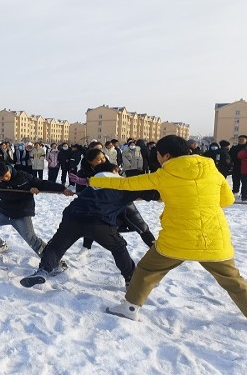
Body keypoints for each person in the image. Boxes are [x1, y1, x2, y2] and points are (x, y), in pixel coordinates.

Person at [89, 135, 247, 320]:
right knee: (233, 280)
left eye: (159, 155)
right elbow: (227, 200)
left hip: (177, 239)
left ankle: (130, 308)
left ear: (167, 156)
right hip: (212, 238)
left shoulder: (164, 174)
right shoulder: (212, 170)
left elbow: (126, 184)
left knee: (146, 270)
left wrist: (94, 181)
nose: (157, 158)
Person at [19, 162, 159, 289]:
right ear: (115, 170)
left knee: (56, 246)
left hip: (72, 217)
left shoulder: (92, 185)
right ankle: (130, 279)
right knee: (118, 247)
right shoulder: (122, 184)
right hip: (100, 223)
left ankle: (43, 271)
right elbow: (151, 193)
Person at [0, 162, 74, 258]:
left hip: (22, 213)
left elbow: (42, 183)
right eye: (2, 178)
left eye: (6, 175)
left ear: (8, 169)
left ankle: (51, 259)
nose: (5, 179)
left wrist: (62, 189)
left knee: (31, 239)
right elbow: (7, 195)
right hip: (4, 212)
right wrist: (28, 190)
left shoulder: (22, 176)